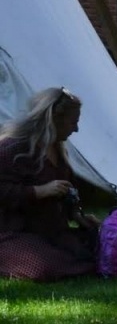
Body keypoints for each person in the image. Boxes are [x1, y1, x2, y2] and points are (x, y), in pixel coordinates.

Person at [0, 87, 98, 282]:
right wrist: (37, 192)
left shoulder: (58, 150)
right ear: (54, 120)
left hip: (49, 231)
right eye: (73, 123)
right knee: (43, 266)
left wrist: (78, 216)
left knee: (92, 249)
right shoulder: (13, 149)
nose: (76, 129)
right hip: (13, 233)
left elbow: (66, 194)